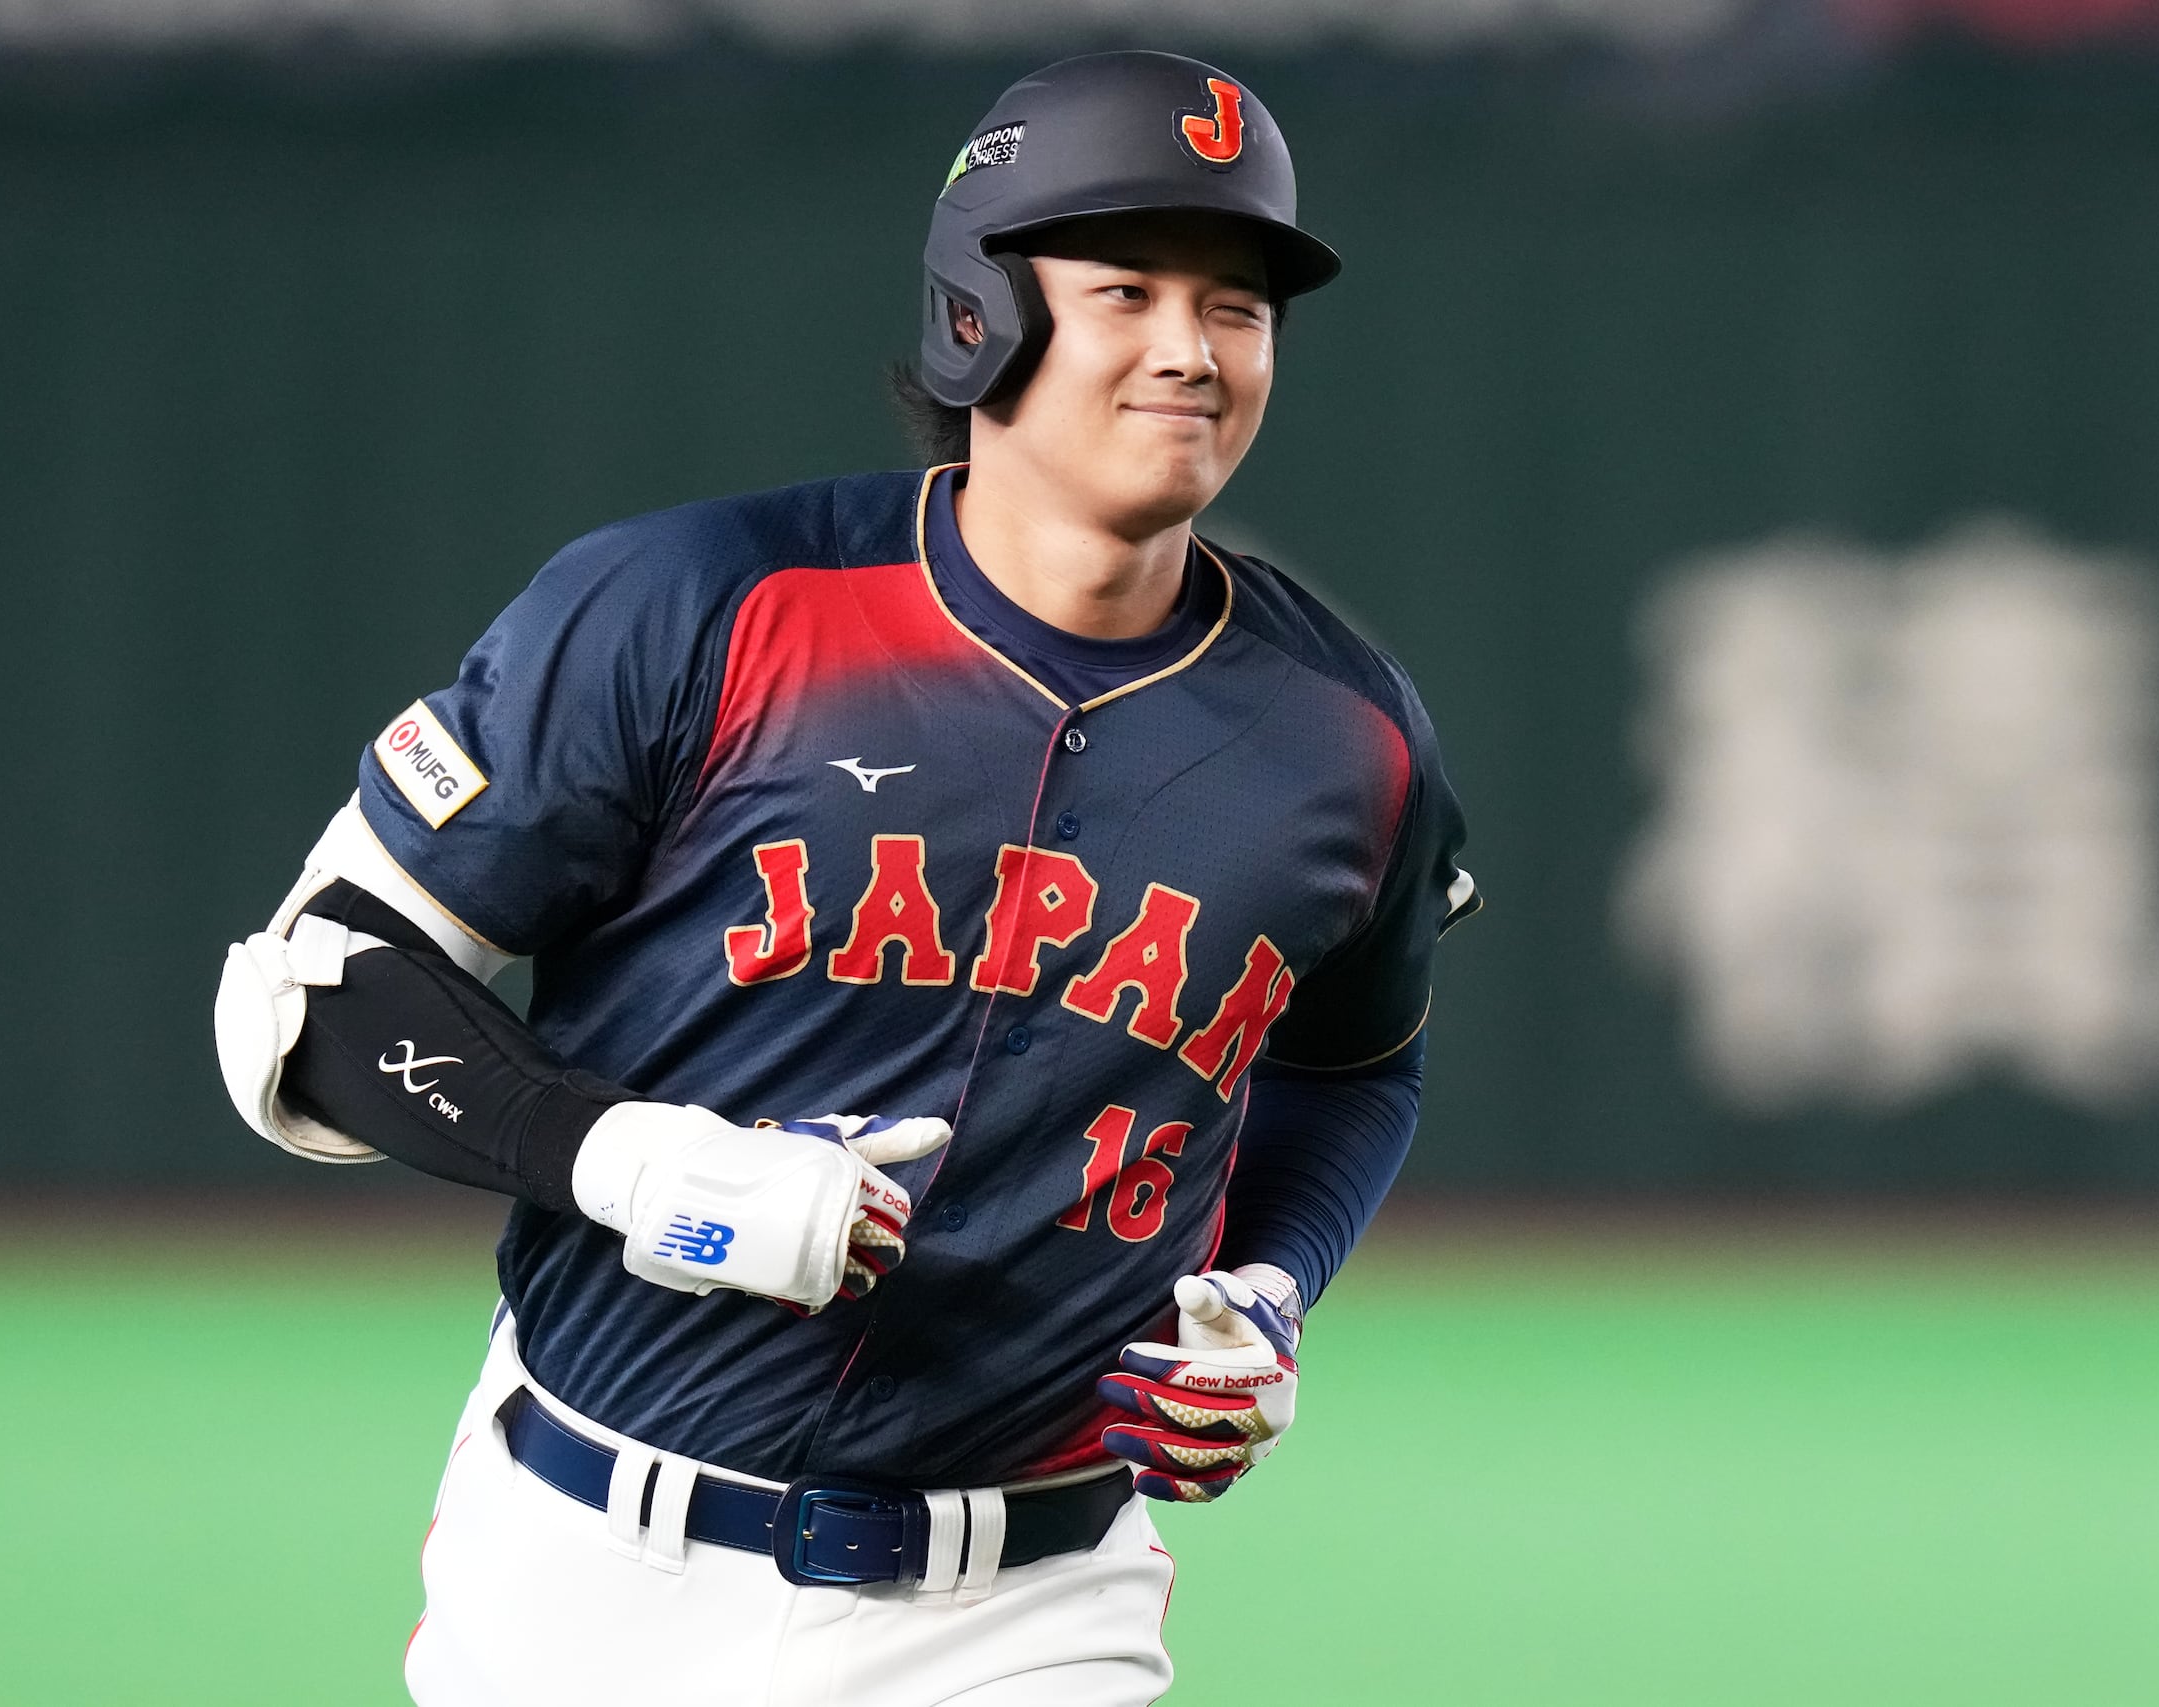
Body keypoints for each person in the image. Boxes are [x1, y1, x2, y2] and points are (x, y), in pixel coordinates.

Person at [212, 48, 1475, 1707]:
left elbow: (1356, 1073)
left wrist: (1264, 1289)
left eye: (1236, 308)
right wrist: (625, 1159)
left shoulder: (1346, 737)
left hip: (1028, 1607)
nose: (1191, 350)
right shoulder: (704, 610)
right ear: (983, 317)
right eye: (1126, 292)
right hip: (591, 1565)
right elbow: (306, 1000)